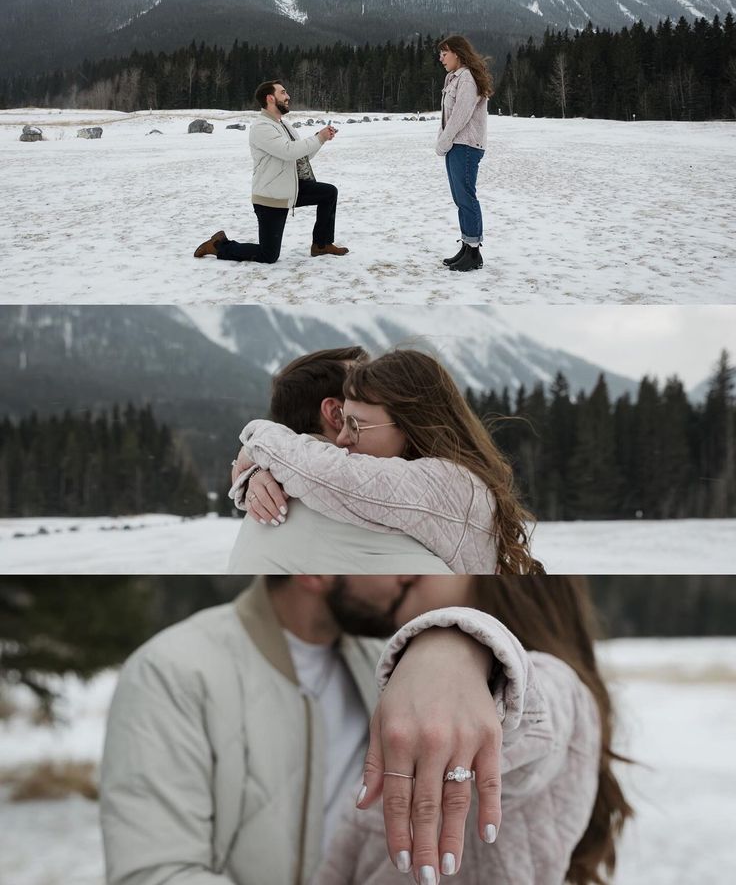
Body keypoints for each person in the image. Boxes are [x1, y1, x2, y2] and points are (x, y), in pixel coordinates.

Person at [99, 575, 506, 885]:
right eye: (380, 553)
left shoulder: (390, 666)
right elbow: (156, 872)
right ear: (314, 572)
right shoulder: (173, 671)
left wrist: (458, 643)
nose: (408, 574)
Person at [317, 576, 634, 885]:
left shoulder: (560, 689)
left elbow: (533, 717)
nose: (404, 574)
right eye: (394, 610)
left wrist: (451, 641)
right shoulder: (407, 701)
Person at [232, 349, 544, 574]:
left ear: (410, 423)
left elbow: (336, 477)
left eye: (355, 425)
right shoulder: (311, 491)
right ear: (332, 411)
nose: (342, 439)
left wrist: (259, 442)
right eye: (345, 422)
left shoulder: (449, 482)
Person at [227, 347, 452, 573]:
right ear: (336, 414)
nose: (384, 386)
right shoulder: (355, 507)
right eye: (366, 381)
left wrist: (258, 453)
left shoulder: (274, 491)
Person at [193, 80, 349, 264]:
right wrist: (318, 138)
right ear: (270, 98)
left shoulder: (283, 125)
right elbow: (288, 151)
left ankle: (321, 245)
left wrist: (320, 139)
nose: (288, 96)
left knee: (328, 193)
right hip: (270, 198)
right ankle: (219, 245)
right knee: (268, 255)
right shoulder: (261, 127)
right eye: (283, 93)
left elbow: (299, 156)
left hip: (290, 189)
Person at [436, 35, 492, 273]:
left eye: (444, 53)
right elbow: (447, 116)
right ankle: (467, 247)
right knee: (461, 199)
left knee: (466, 198)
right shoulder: (453, 78)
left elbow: (460, 115)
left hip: (466, 146)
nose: (441, 58)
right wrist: (442, 140)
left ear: (457, 53)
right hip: (456, 145)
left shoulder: (467, 79)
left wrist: (444, 141)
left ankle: (474, 252)